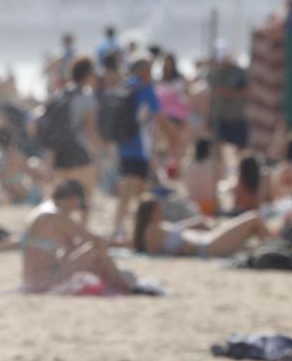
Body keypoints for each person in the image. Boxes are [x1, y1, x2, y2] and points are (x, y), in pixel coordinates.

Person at [21, 179, 136, 295]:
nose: (77, 207)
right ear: (73, 199)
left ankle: (121, 283)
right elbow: (94, 240)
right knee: (97, 251)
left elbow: (73, 245)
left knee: (91, 254)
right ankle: (127, 289)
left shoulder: (42, 210)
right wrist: (121, 243)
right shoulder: (56, 216)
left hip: (32, 280)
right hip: (45, 281)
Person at [107, 56, 160, 240]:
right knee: (136, 190)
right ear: (145, 71)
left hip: (123, 145)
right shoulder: (145, 88)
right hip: (139, 147)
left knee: (134, 189)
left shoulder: (125, 85)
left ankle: (121, 227)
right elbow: (157, 114)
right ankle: (134, 229)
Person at [130, 194, 266, 259]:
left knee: (251, 237)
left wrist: (198, 223)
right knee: (254, 219)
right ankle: (277, 247)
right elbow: (154, 252)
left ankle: (275, 246)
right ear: (149, 213)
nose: (161, 211)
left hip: (207, 240)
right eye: (157, 209)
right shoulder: (151, 230)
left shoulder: (158, 226)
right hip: (206, 245)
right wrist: (180, 252)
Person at [39, 56, 100, 198]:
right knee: (85, 197)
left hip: (59, 152)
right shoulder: (88, 98)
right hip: (79, 151)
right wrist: (97, 156)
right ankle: (81, 221)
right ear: (89, 75)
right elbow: (90, 132)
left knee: (57, 197)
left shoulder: (61, 93)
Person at [207, 47, 250, 159]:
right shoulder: (214, 73)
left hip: (237, 117)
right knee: (220, 149)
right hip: (221, 117)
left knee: (241, 150)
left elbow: (248, 91)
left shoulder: (239, 72)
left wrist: (230, 92)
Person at [182, 137, 221, 217]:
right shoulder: (213, 165)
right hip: (209, 207)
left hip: (191, 207)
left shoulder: (187, 165)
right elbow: (221, 179)